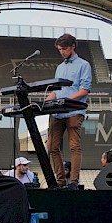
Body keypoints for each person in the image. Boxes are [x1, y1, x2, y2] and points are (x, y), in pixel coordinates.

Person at [45, 33, 92, 188]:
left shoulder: (84, 65)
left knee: (74, 146)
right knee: (52, 146)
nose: (62, 52)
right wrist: (45, 101)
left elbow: (84, 89)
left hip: (74, 111)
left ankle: (74, 181)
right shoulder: (59, 68)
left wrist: (67, 100)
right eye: (59, 49)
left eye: (64, 49)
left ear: (73, 46)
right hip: (57, 112)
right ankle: (60, 181)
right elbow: (56, 91)